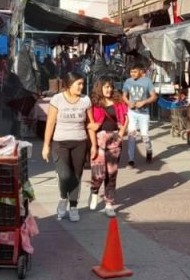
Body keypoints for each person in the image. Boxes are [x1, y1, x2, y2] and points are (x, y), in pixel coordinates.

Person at [42, 72, 96, 223]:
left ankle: (73, 206)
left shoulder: (85, 100)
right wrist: (46, 145)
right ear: (69, 84)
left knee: (76, 176)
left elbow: (90, 123)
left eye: (82, 84)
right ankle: (62, 198)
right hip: (60, 143)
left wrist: (94, 145)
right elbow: (50, 123)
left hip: (80, 142)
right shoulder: (57, 99)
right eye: (78, 84)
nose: (81, 87)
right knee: (65, 175)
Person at [88, 79, 128, 217]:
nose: (109, 89)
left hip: (114, 139)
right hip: (99, 139)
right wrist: (93, 144)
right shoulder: (94, 104)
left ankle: (109, 203)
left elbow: (125, 118)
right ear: (99, 88)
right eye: (106, 87)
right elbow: (90, 125)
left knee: (112, 173)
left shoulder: (118, 102)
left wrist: (121, 134)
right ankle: (94, 191)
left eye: (110, 86)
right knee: (98, 173)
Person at [123, 62, 157, 167]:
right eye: (131, 72)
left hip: (144, 114)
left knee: (145, 135)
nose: (132, 74)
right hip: (132, 112)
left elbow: (154, 96)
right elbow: (124, 96)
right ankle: (131, 159)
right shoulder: (128, 81)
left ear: (141, 71)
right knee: (131, 135)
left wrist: (144, 102)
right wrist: (128, 102)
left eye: (135, 72)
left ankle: (149, 150)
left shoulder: (147, 81)